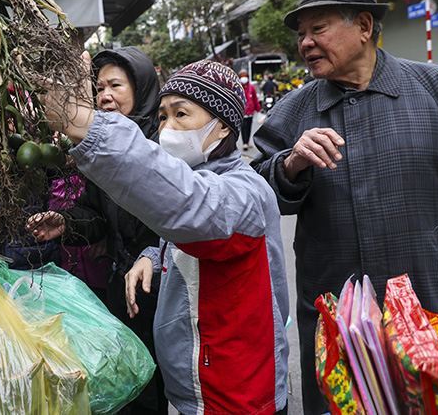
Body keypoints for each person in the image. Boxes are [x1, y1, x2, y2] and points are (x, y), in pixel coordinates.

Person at [250, 0, 438, 415]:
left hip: (433, 313)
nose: (305, 43)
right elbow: (257, 196)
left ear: (364, 26)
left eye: (319, 29)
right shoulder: (293, 110)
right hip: (340, 329)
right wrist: (292, 163)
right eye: (302, 34)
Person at [41, 57, 290, 415]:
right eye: (162, 117)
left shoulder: (245, 191)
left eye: (181, 115)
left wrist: (88, 126)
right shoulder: (198, 174)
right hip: (199, 390)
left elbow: (194, 210)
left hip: (238, 395)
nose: (167, 128)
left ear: (222, 128)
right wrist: (153, 257)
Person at [27, 46, 167, 414]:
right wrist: (66, 223)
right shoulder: (100, 153)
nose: (104, 95)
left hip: (165, 291)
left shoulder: (163, 146)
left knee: (172, 383)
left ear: (141, 88)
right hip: (122, 289)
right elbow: (96, 216)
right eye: (99, 87)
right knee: (135, 385)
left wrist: (153, 255)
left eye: (116, 85)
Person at [239, 70, 260, 150]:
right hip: (242, 112)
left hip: (250, 112)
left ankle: (247, 142)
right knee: (243, 128)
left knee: (249, 128)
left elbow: (255, 98)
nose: (244, 78)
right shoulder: (238, 88)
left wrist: (258, 108)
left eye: (245, 76)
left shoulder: (251, 87)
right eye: (242, 76)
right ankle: (244, 143)